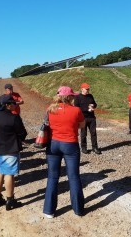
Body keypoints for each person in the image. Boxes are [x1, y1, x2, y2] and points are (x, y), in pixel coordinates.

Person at [43, 86, 85, 218]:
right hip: (70, 144)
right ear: (69, 97)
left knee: (52, 177)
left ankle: (49, 211)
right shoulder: (76, 110)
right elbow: (82, 125)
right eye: (72, 96)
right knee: (73, 177)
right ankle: (78, 209)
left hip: (53, 144)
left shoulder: (50, 109)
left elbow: (47, 124)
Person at [0, 94, 27, 211]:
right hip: (10, 149)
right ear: (7, 105)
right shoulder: (13, 118)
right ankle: (10, 201)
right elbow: (22, 134)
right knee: (9, 174)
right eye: (13, 103)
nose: (15, 105)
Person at [74, 83, 100, 154]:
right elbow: (76, 108)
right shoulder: (78, 97)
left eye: (88, 88)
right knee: (83, 133)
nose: (88, 90)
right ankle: (84, 147)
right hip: (83, 118)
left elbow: (95, 104)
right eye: (86, 89)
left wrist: (93, 105)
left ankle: (95, 147)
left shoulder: (90, 96)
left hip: (92, 117)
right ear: (82, 89)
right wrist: (87, 108)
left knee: (93, 133)